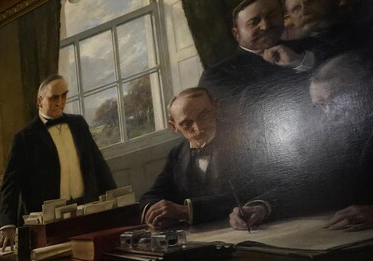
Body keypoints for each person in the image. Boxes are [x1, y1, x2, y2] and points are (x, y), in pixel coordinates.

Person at [230, 51, 373, 230]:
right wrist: (263, 206)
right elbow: (313, 185)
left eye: (335, 101)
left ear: (365, 90)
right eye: (321, 106)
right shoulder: (336, 136)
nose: (329, 114)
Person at [0, 74, 115, 249]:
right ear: (40, 100)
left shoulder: (78, 124)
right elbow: (11, 185)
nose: (60, 102)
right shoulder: (23, 139)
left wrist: (116, 202)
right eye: (54, 98)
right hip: (46, 224)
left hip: (86, 213)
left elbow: (98, 164)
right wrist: (7, 224)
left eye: (64, 95)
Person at [139, 88, 255, 229]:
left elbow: (251, 191)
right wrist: (155, 212)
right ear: (173, 126)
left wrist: (189, 211)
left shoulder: (244, 139)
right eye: (187, 124)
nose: (199, 128)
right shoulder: (177, 154)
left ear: (216, 107)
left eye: (204, 116)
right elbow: (152, 194)